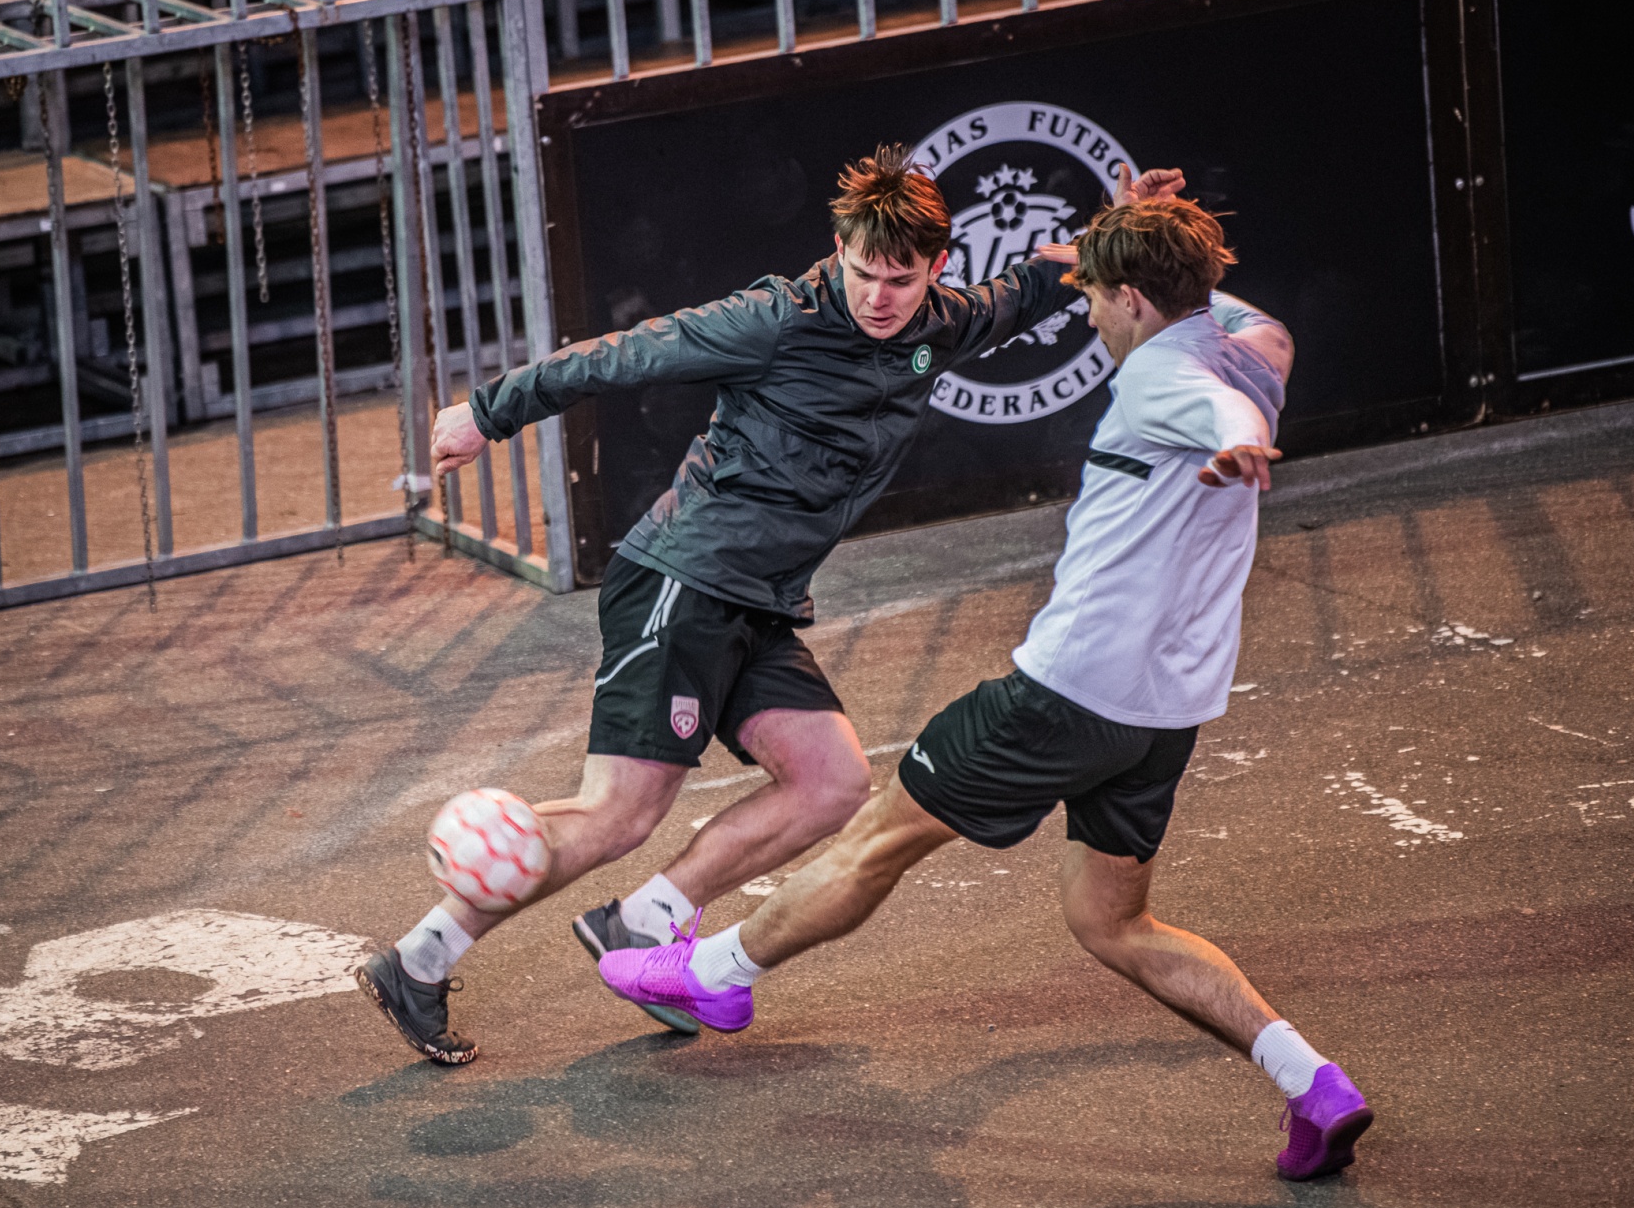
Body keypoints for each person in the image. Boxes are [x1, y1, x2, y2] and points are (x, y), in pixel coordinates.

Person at [598, 194, 1374, 1182]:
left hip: (1061, 697)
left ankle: (716, 973)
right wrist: (1150, 245)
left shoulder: (1166, 381)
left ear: (1135, 301)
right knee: (1115, 924)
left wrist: (1240, 442)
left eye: (1096, 298)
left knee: (878, 838)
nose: (1089, 314)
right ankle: (1312, 1082)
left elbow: (1211, 410)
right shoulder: (1258, 347)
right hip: (1165, 716)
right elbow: (1235, 327)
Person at [357, 146, 1185, 1066]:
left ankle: (645, 920)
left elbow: (1042, 278)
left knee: (831, 783)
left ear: (937, 268)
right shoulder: (774, 320)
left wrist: (1119, 225)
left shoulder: (944, 322)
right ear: (839, 251)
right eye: (862, 273)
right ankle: (420, 958)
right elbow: (626, 355)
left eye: (900, 280)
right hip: (683, 580)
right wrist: (487, 412)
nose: (878, 297)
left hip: (761, 602)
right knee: (619, 814)